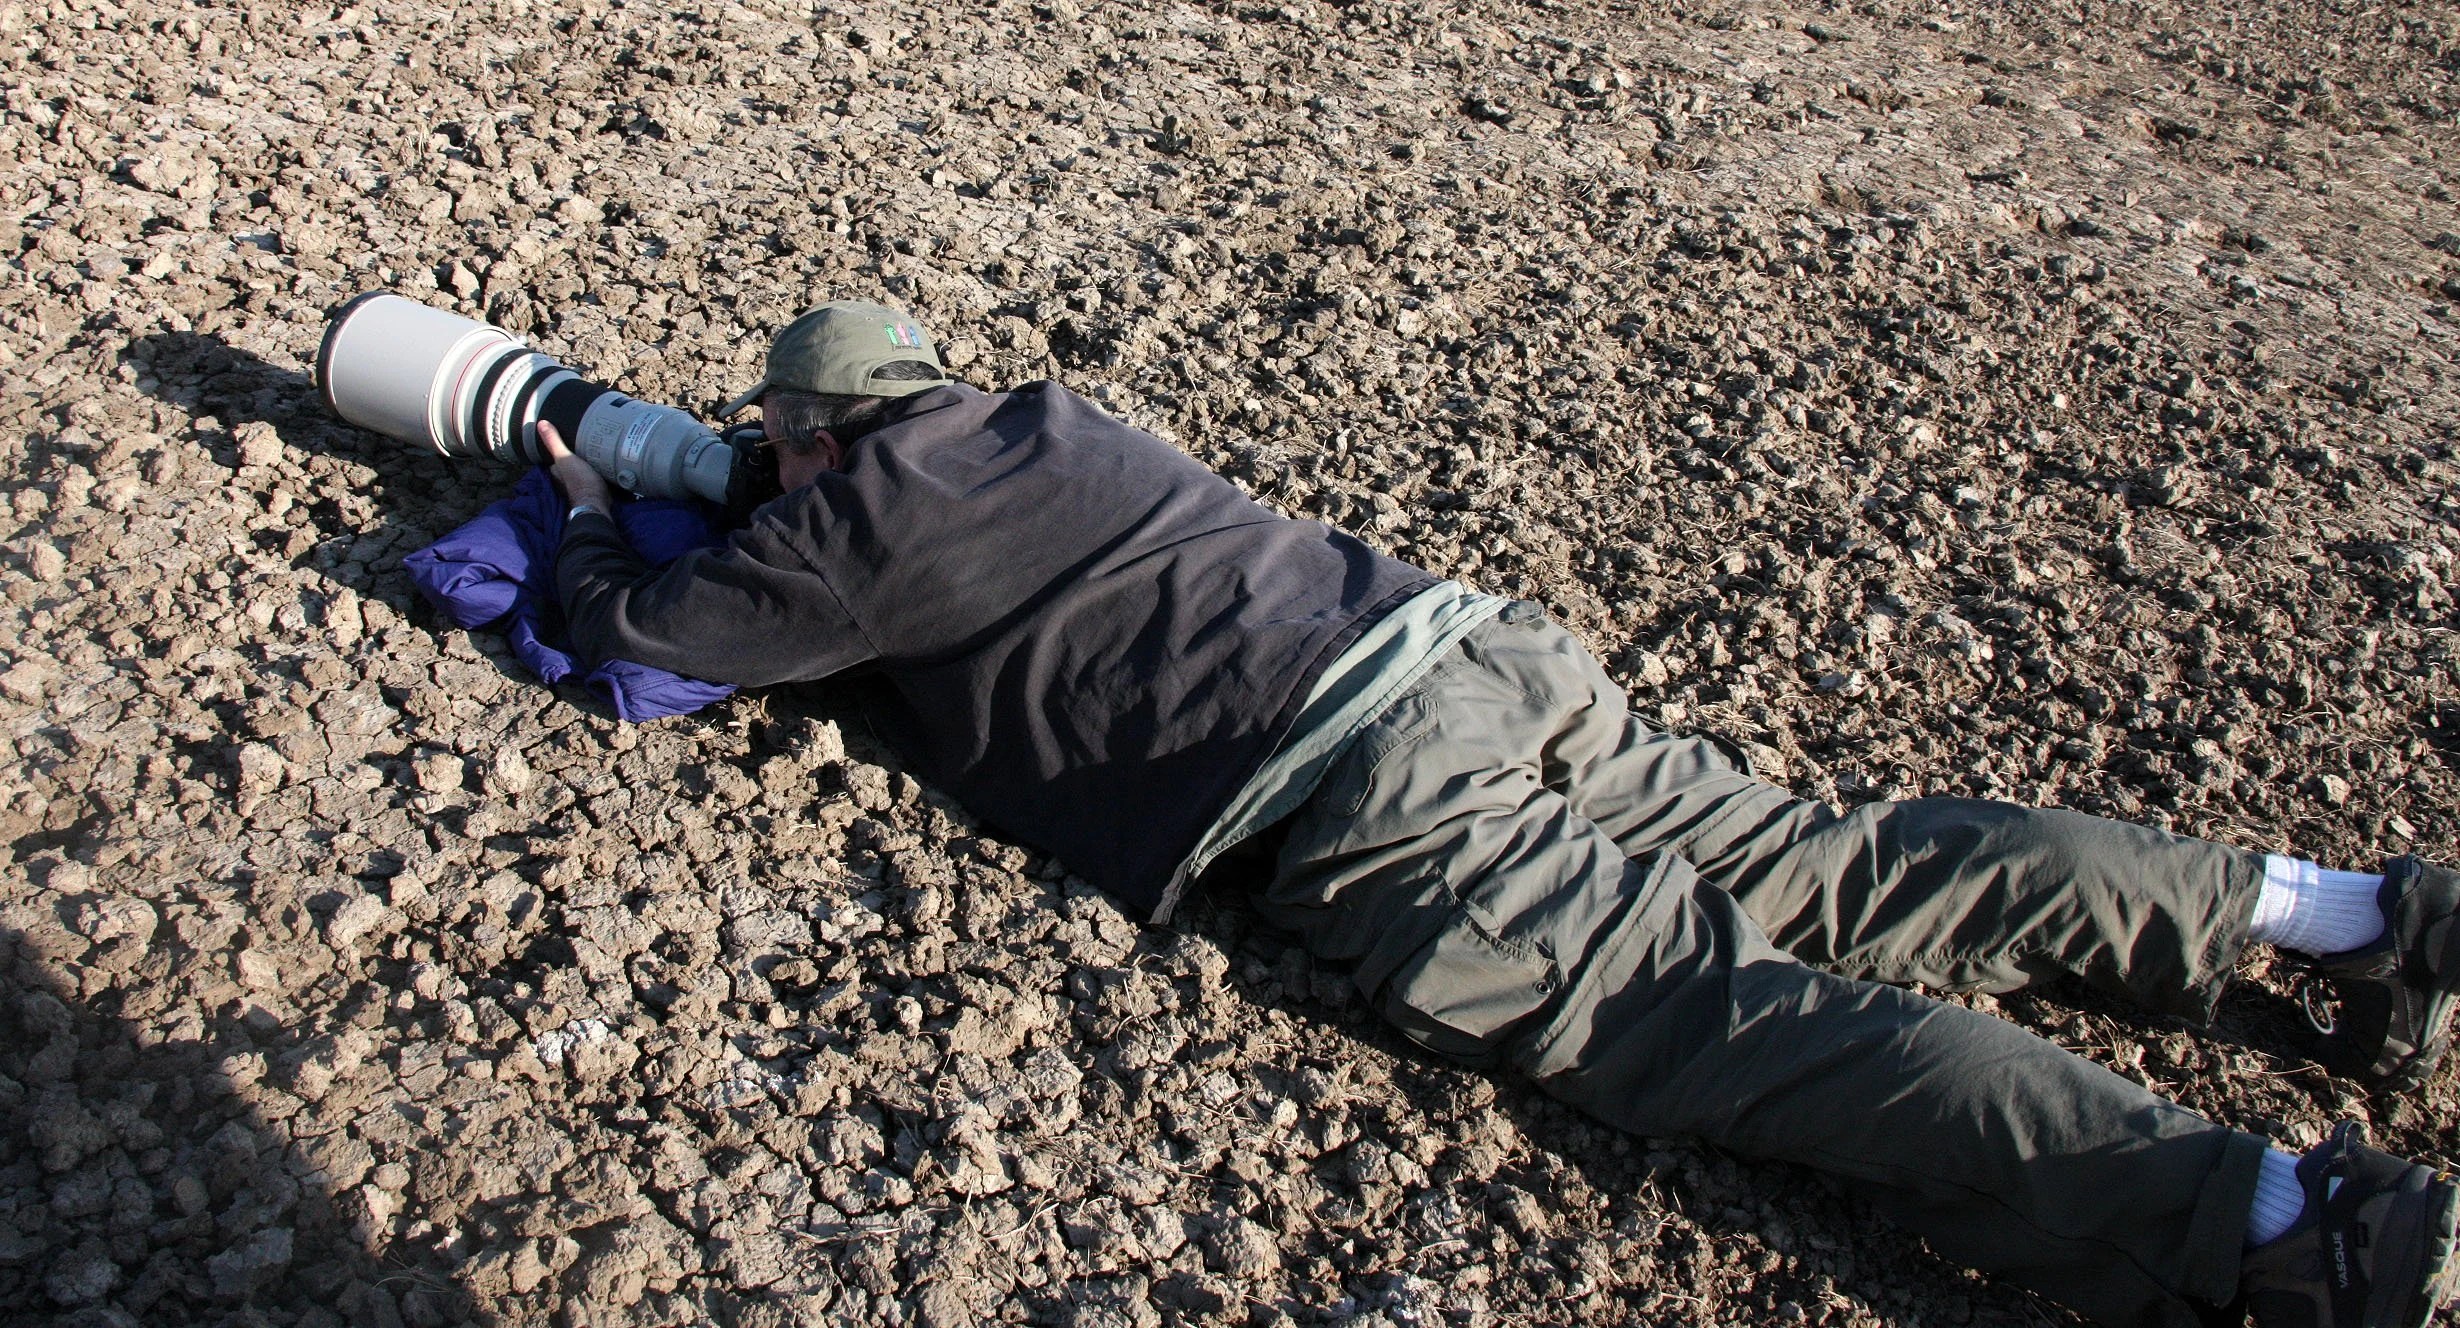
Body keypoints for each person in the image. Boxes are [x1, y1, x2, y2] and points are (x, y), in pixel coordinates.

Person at [532, 299, 2460, 1328]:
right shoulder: (1055, 418)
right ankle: (2350, 917)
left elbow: (634, 639)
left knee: (1747, 1025)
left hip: (1366, 796)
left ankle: (2287, 1228)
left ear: (805, 433)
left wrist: (620, 496)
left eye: (772, 441)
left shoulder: (852, 528)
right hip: (1474, 656)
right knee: (1839, 862)